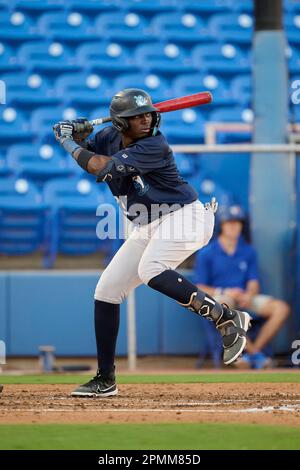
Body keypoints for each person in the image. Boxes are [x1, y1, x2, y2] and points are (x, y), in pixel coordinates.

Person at [53, 88, 251, 397]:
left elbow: (100, 167)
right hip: (148, 225)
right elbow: (88, 152)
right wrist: (76, 130)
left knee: (151, 270)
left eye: (147, 114)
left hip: (186, 216)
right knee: (107, 290)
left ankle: (226, 317)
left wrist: (65, 141)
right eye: (137, 117)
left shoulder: (154, 145)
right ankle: (105, 379)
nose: (146, 120)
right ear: (121, 123)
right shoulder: (108, 137)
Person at [194, 204, 290, 369]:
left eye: (237, 223)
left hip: (244, 298)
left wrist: (249, 295)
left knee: (281, 308)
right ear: (222, 225)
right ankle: (253, 355)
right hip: (222, 298)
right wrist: (226, 291)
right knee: (224, 306)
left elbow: (253, 282)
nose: (233, 226)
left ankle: (253, 352)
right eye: (229, 222)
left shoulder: (248, 251)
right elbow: (199, 287)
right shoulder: (207, 252)